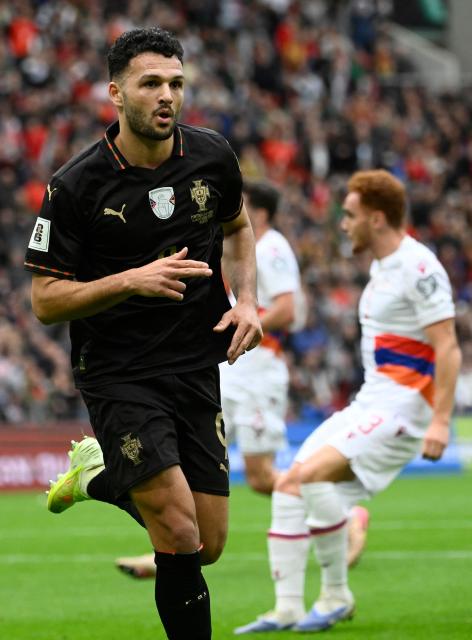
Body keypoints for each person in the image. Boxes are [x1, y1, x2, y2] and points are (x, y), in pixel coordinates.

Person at [24, 27, 262, 640]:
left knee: (205, 545)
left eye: (176, 84)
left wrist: (249, 301)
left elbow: (237, 228)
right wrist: (132, 279)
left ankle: (99, 476)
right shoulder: (76, 186)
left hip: (195, 366)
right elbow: (46, 302)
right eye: (151, 83)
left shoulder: (212, 156)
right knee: (178, 531)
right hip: (119, 373)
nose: (167, 96)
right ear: (116, 94)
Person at [234, 169, 462, 634]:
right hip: (371, 402)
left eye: (351, 215)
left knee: (312, 475)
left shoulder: (419, 267)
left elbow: (448, 346)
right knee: (289, 483)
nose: (343, 223)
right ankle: (287, 608)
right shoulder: (381, 268)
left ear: (377, 219)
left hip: (404, 408)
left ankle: (337, 595)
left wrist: (441, 421)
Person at [112, 180, 369, 579]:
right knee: (184, 461)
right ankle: (173, 547)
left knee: (263, 476)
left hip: (259, 370)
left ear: (259, 211)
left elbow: (286, 309)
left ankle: (345, 514)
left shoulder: (272, 247)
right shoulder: (239, 247)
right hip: (229, 368)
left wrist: (244, 323)